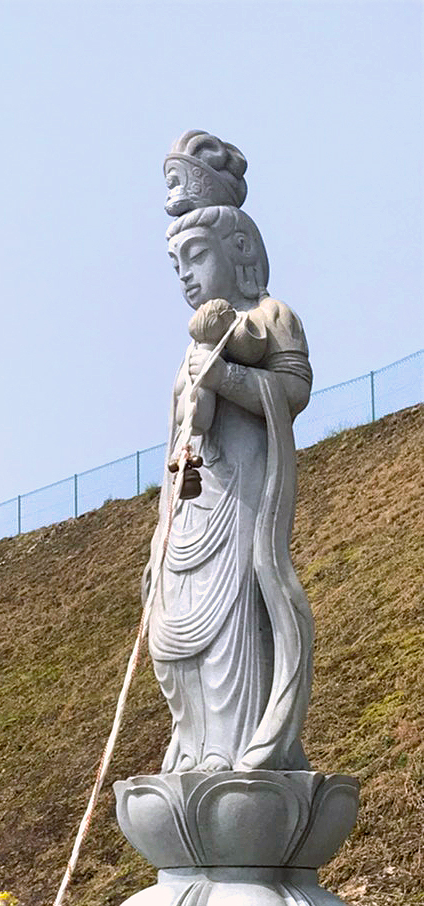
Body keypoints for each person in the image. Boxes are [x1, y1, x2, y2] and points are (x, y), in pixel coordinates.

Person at [147, 203, 313, 773]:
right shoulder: (192, 345)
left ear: (238, 251)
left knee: (234, 622)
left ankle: (239, 749)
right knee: (172, 635)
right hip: (193, 498)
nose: (186, 275)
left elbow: (291, 393)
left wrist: (227, 374)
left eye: (196, 256)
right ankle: (193, 745)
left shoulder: (271, 316)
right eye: (176, 265)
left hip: (243, 498)